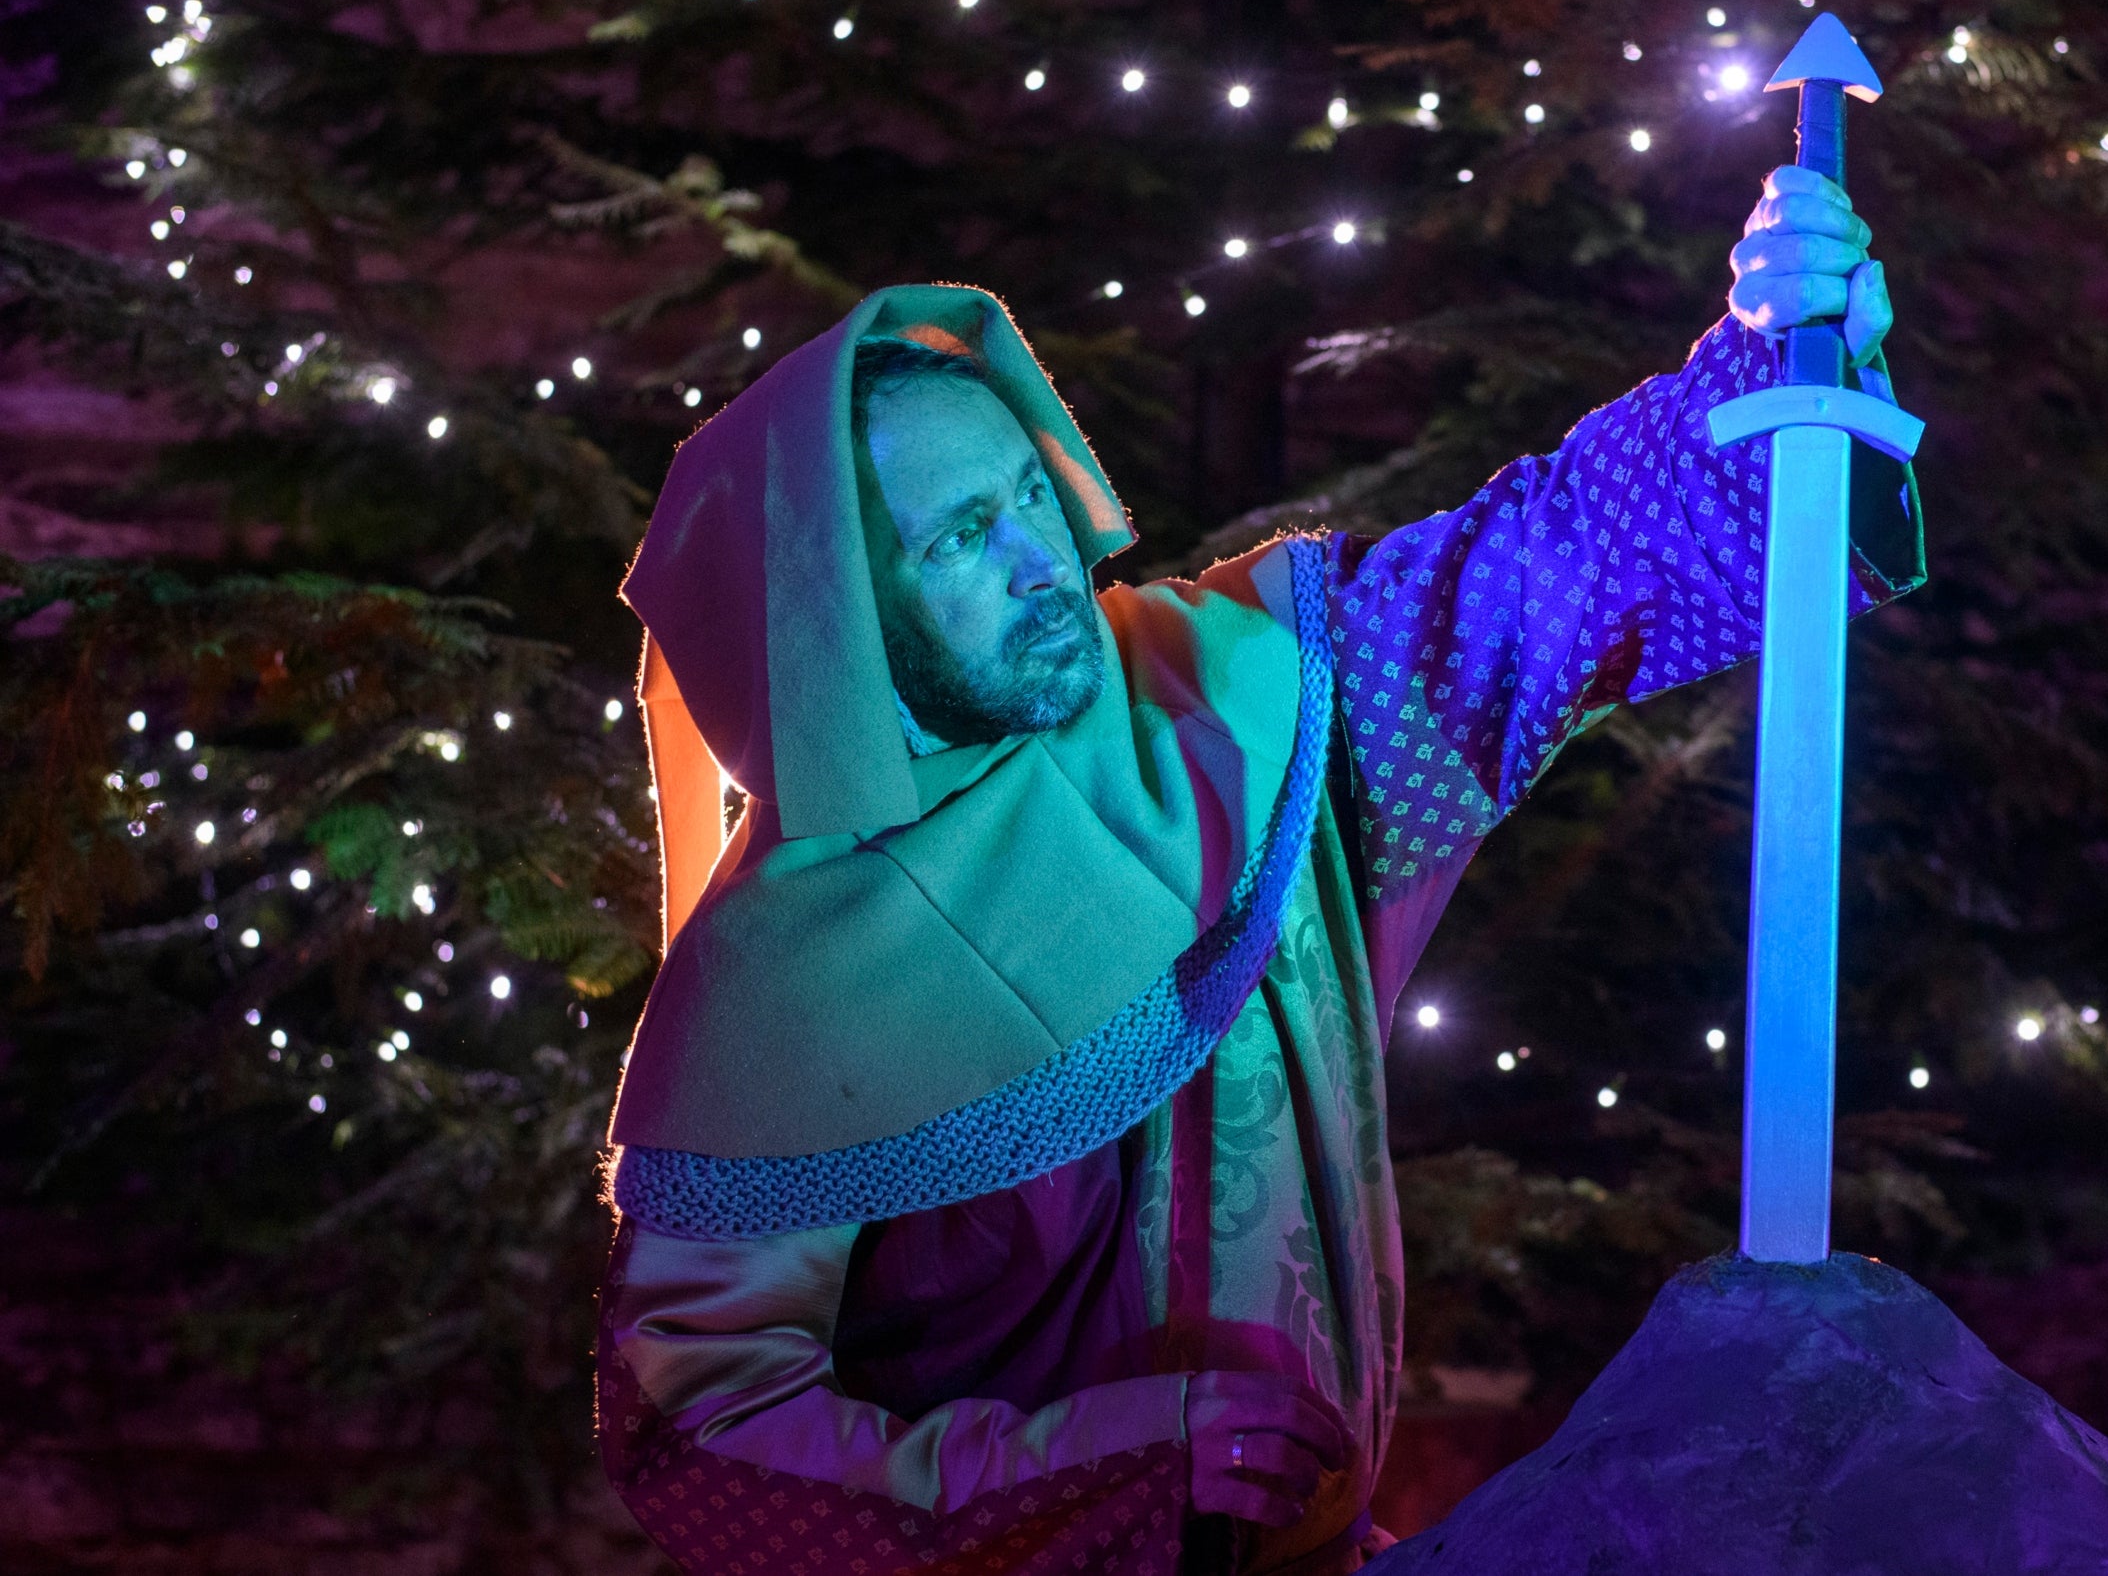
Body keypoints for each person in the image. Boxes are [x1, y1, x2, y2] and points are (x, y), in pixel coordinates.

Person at [594, 166, 1919, 1576]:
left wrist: (1776, 362)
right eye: (963, 538)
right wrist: (1091, 1471)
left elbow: (1538, 574)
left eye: (1027, 494)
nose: (1045, 560)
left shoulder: (1234, 704)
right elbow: (704, 1431)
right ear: (834, 625)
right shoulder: (773, 992)